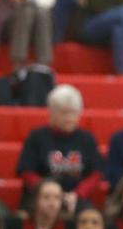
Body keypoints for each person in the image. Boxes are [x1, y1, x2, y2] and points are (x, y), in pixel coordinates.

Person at [16, 84, 102, 212]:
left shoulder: (87, 139)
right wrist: (51, 195)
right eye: (64, 113)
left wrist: (77, 194)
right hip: (41, 200)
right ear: (51, 113)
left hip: (76, 200)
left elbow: (96, 174)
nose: (69, 118)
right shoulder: (37, 137)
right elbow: (27, 172)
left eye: (73, 112)